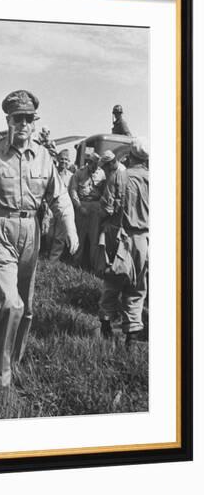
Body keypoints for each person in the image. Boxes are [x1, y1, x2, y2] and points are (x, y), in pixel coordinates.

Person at [0, 90, 78, 390]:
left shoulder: (44, 157)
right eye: (17, 119)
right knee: (11, 304)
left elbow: (59, 196)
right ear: (8, 120)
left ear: (34, 124)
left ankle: (13, 359)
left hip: (30, 231)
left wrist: (70, 229)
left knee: (27, 306)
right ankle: (0, 375)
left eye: (28, 119)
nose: (23, 124)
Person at [98, 138, 149, 349]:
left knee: (112, 281)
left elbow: (107, 209)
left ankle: (106, 326)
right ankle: (132, 337)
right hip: (144, 239)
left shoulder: (120, 175)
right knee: (137, 288)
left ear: (130, 156)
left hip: (120, 236)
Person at [69, 151, 106, 269]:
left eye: (96, 165)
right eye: (92, 164)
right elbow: (73, 190)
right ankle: (75, 263)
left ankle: (93, 266)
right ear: (88, 163)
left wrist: (100, 206)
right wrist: (79, 206)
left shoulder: (102, 174)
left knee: (94, 237)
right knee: (80, 236)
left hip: (96, 206)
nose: (94, 168)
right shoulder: (79, 173)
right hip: (82, 205)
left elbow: (105, 191)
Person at [48, 149, 74, 261]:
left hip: (63, 208)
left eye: (66, 160)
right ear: (58, 160)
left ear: (69, 161)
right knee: (48, 233)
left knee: (60, 235)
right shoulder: (52, 172)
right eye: (62, 159)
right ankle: (45, 253)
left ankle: (53, 259)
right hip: (50, 207)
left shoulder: (71, 176)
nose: (64, 161)